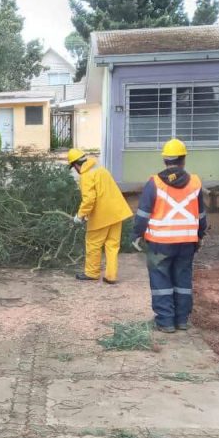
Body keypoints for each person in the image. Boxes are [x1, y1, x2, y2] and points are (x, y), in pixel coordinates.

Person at [131, 138, 208, 333]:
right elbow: (201, 215)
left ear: (165, 159)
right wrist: (199, 236)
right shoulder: (195, 183)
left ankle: (165, 322)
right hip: (187, 242)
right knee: (183, 280)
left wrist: (137, 234)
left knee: (161, 281)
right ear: (183, 159)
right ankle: (182, 320)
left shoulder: (154, 183)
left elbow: (142, 215)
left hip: (160, 242)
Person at [68, 148, 133, 284]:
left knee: (93, 244)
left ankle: (92, 273)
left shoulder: (86, 175)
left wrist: (80, 216)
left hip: (101, 215)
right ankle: (111, 276)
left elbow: (89, 199)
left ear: (75, 165)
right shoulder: (100, 169)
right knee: (112, 245)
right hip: (116, 212)